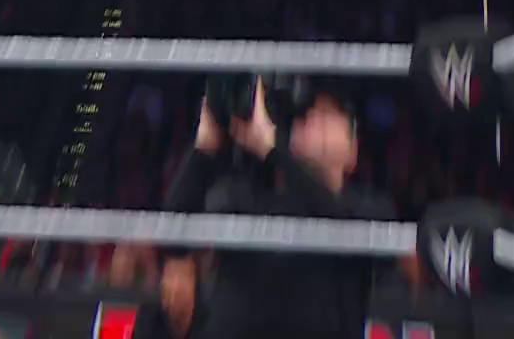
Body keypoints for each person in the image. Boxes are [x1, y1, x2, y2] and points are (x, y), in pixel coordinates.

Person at [163, 78, 396, 339]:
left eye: (330, 115)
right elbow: (171, 232)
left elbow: (340, 222)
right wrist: (204, 148)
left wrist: (273, 150)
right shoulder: (250, 198)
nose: (315, 121)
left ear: (353, 149)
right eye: (306, 115)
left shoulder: (370, 209)